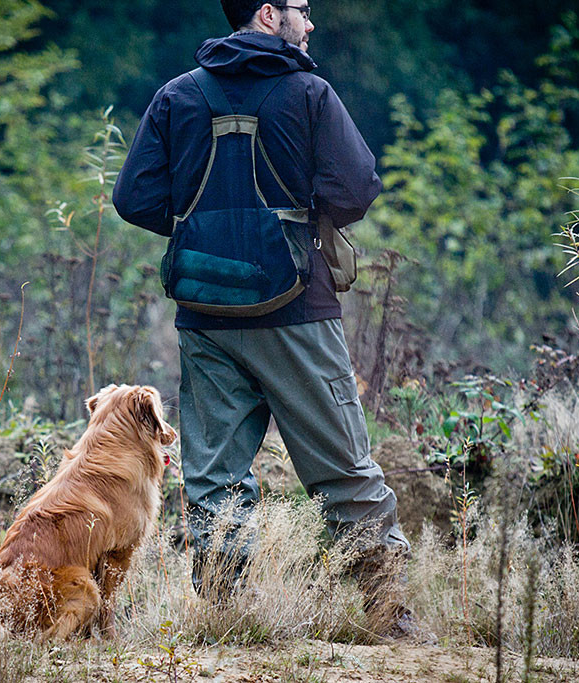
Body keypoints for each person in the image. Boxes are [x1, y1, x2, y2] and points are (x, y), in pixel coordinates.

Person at [112, 0, 412, 632]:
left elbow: (134, 197)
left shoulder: (178, 95)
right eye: (303, 9)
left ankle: (225, 619)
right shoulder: (309, 93)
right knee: (345, 471)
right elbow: (356, 189)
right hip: (299, 311)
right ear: (270, 14)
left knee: (214, 477)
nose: (312, 23)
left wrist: (207, 227)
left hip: (206, 317)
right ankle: (389, 620)